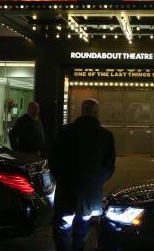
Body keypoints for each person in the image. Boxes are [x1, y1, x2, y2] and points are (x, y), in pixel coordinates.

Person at [49, 99, 116, 251]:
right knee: (82, 229)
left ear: (81, 111)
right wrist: (97, 181)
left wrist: (61, 178)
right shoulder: (106, 135)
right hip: (90, 194)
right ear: (96, 112)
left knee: (62, 228)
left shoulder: (65, 132)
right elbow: (109, 166)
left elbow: (53, 160)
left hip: (66, 191)